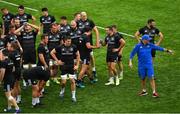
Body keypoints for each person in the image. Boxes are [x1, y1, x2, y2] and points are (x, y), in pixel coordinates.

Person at [51, 37, 80, 102]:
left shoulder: (74, 47)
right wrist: (58, 61)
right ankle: (62, 90)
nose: (69, 42)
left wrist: (77, 65)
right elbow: (52, 52)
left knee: (72, 81)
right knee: (63, 82)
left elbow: (78, 55)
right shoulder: (60, 47)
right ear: (64, 42)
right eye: (68, 41)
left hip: (71, 66)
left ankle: (73, 96)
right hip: (63, 66)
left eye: (70, 41)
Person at [14, 22, 39, 87]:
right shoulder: (22, 33)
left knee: (33, 66)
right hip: (25, 53)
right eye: (26, 26)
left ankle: (33, 79)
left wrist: (29, 24)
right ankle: (26, 80)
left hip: (32, 52)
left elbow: (38, 28)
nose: (27, 27)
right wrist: (23, 26)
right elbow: (15, 32)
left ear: (30, 27)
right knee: (25, 67)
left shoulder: (33, 33)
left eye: (28, 26)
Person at [77, 11, 100, 81]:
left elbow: (96, 30)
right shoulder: (78, 22)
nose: (85, 17)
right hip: (82, 43)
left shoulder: (90, 21)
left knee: (90, 56)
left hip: (88, 42)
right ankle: (82, 74)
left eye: (85, 16)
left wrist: (97, 41)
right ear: (80, 16)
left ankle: (93, 70)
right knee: (83, 59)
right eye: (83, 16)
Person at [0, 49, 21, 113]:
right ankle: (9, 108)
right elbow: (13, 69)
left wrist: (0, 80)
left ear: (3, 54)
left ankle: (17, 109)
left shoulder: (3, 62)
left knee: (8, 96)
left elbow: (2, 73)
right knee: (9, 94)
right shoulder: (11, 60)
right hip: (12, 78)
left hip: (7, 80)